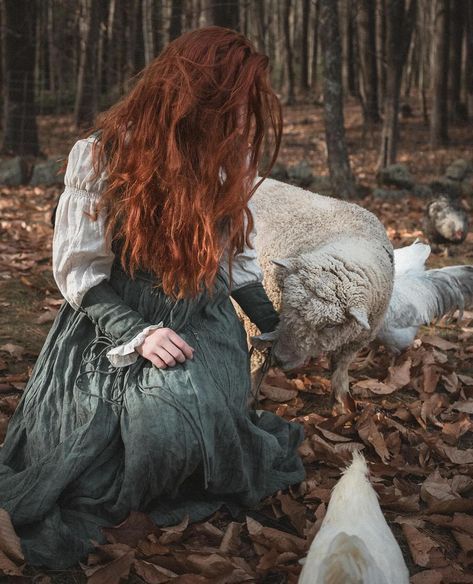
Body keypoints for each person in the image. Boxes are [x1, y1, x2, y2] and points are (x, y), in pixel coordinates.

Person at [0, 26, 305, 569]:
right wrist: (136, 333)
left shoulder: (224, 158)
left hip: (204, 321)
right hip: (119, 326)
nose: (241, 119)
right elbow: (79, 274)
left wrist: (277, 324)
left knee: (202, 423)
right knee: (150, 435)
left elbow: (234, 261)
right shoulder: (103, 156)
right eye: (233, 105)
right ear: (195, 99)